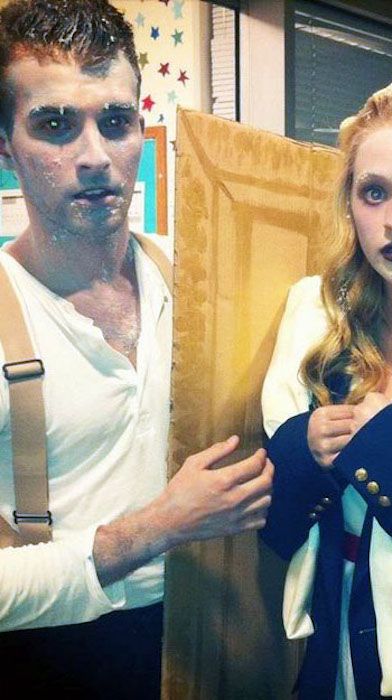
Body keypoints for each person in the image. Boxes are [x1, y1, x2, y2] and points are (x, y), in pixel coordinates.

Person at [0, 0, 273, 697]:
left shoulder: (203, 279)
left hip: (210, 636)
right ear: (5, 143)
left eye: (117, 122)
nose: (95, 156)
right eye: (55, 125)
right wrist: (158, 527)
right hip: (52, 655)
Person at [260, 73, 392, 700]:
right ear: (348, 204)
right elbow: (275, 532)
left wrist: (387, 448)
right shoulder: (317, 317)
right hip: (337, 647)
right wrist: (303, 447)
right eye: (374, 192)